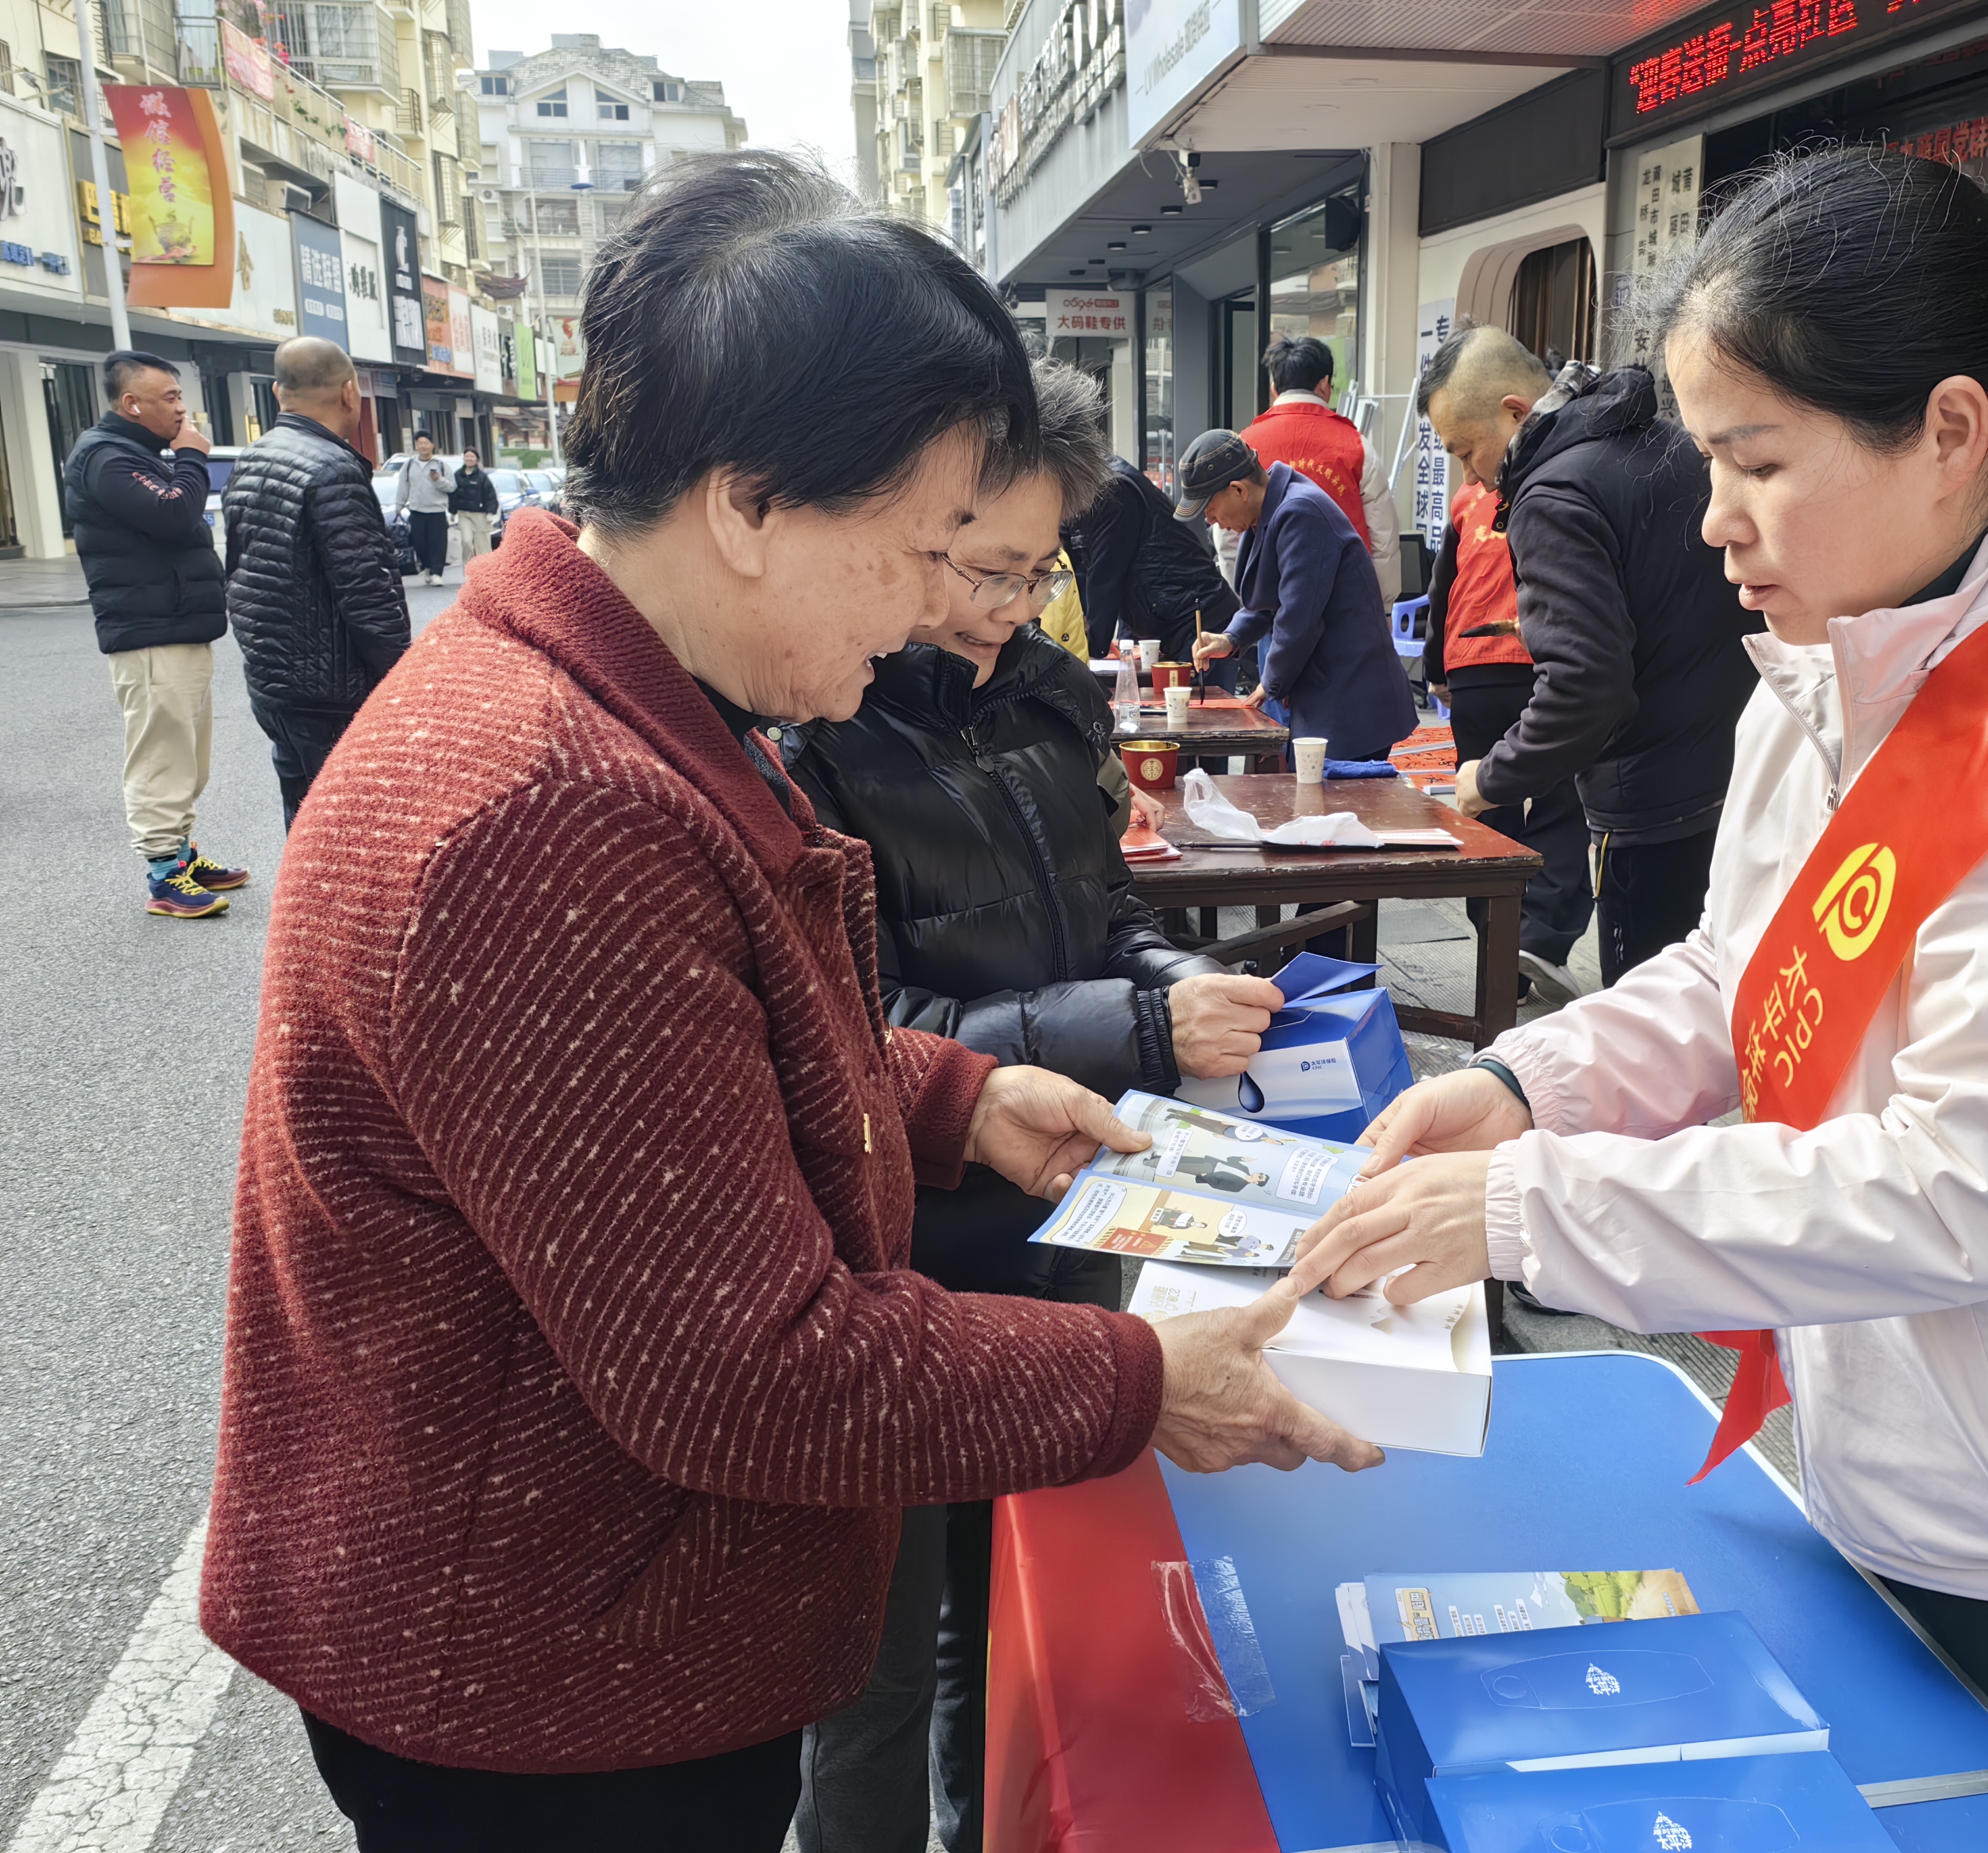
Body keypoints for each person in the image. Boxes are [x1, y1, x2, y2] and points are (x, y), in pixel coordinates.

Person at [202, 151, 1377, 1853]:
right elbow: (748, 1371)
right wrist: (1139, 1378)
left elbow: (664, 1077)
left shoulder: (591, 701)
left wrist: (947, 1094)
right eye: (914, 552)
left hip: (561, 1614)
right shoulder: (550, 806)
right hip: (547, 1686)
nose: (928, 614)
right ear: (745, 504)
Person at [1295, 149, 1988, 1853]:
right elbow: (1740, 971)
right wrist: (1526, 1090)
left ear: (1949, 431)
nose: (1715, 519)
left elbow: (1970, 1184)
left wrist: (1518, 1209)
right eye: (1710, 460)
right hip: (1901, 1451)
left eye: (1756, 462)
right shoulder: (1842, 642)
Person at [789, 356, 1287, 1853]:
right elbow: (847, 1030)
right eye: (974, 566)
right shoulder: (816, 714)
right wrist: (1132, 1015)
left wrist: (1167, 987)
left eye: (1033, 571)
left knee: (1029, 1593)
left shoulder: (1057, 694)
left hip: (1071, 1207)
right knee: (872, 1660)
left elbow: (1101, 904)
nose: (1002, 607)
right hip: (894, 1252)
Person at [1419, 325, 1757, 986]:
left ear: (1513, 412)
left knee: (1652, 1013)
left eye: (1467, 450)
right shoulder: (1662, 442)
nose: (1469, 474)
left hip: (1652, 795)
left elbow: (1586, 685)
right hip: (1735, 764)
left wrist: (1489, 778)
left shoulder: (1551, 494)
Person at [64, 349, 250, 918]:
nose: (181, 408)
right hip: (148, 632)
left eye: (179, 395)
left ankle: (182, 854)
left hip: (178, 624)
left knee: (190, 757)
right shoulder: (106, 459)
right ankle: (163, 876)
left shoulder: (139, 453)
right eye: (169, 397)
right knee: (160, 758)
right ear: (131, 403)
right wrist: (193, 458)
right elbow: (173, 515)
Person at [220, 337, 411, 828]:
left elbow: (240, 570)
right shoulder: (334, 470)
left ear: (279, 393)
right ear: (351, 393)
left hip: (274, 682)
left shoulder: (253, 458)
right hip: (333, 689)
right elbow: (368, 594)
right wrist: (405, 680)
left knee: (303, 817)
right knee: (353, 828)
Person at [1420, 473, 1593, 1003]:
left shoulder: (1469, 499)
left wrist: (1436, 668)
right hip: (1539, 660)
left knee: (1484, 808)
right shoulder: (1564, 488)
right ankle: (1539, 938)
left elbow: (1442, 587)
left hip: (1472, 664)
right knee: (1560, 801)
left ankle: (1501, 955)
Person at [1184, 429, 1417, 763]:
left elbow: (1298, 615)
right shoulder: (1268, 513)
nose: (1212, 522)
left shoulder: (1300, 512)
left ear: (1239, 490)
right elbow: (1267, 601)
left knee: (1336, 807)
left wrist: (1271, 684)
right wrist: (1230, 638)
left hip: (1349, 697)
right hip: (1324, 690)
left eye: (1210, 510)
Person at [1223, 333, 1402, 601]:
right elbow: (1383, 538)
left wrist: (1244, 605)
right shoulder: (1357, 446)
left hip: (1271, 605)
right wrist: (1383, 605)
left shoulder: (1242, 447)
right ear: (1325, 385)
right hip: (1344, 603)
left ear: (1274, 389)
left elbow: (1227, 540)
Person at [1059, 450, 1239, 673]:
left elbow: (1106, 575)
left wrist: (1091, 645)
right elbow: (1074, 570)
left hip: (1197, 620)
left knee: (1194, 704)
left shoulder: (1111, 490)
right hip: (1158, 618)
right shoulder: (1074, 492)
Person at [393, 432, 451, 584]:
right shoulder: (409, 464)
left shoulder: (441, 465)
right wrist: (399, 504)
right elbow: (404, 486)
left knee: (438, 544)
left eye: (426, 443)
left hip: (437, 511)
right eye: (420, 443)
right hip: (417, 510)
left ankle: (437, 573)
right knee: (420, 544)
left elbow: (452, 487)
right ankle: (427, 567)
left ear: (432, 445)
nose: (423, 446)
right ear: (416, 446)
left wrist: (439, 480)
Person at [448, 445, 498, 568]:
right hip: (464, 515)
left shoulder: (482, 477)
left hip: (480, 515)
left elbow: (490, 495)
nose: (469, 459)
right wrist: (453, 512)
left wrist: (490, 513)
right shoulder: (458, 475)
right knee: (466, 542)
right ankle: (468, 570)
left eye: (472, 457)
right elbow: (453, 495)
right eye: (467, 457)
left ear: (477, 459)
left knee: (483, 546)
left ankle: (486, 571)